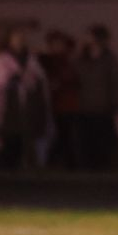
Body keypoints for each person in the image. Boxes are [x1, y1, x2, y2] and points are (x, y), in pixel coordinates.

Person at [0, 27, 52, 170]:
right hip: (10, 103)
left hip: (29, 104)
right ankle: (8, 166)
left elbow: (40, 77)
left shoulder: (31, 58)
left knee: (26, 136)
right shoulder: (1, 59)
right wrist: (17, 78)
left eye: (21, 38)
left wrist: (30, 81)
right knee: (10, 135)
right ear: (9, 40)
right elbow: (0, 81)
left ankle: (26, 165)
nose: (19, 41)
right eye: (16, 38)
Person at [76, 25, 118, 168]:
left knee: (103, 140)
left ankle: (102, 166)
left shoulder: (109, 60)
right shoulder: (82, 59)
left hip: (103, 107)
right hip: (84, 107)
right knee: (86, 140)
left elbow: (115, 82)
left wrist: (114, 103)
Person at [40, 30, 82, 168]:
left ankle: (65, 163)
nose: (56, 47)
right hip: (55, 104)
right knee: (60, 134)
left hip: (66, 104)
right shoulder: (48, 61)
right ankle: (61, 162)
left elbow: (72, 78)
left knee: (65, 134)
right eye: (53, 44)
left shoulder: (69, 61)